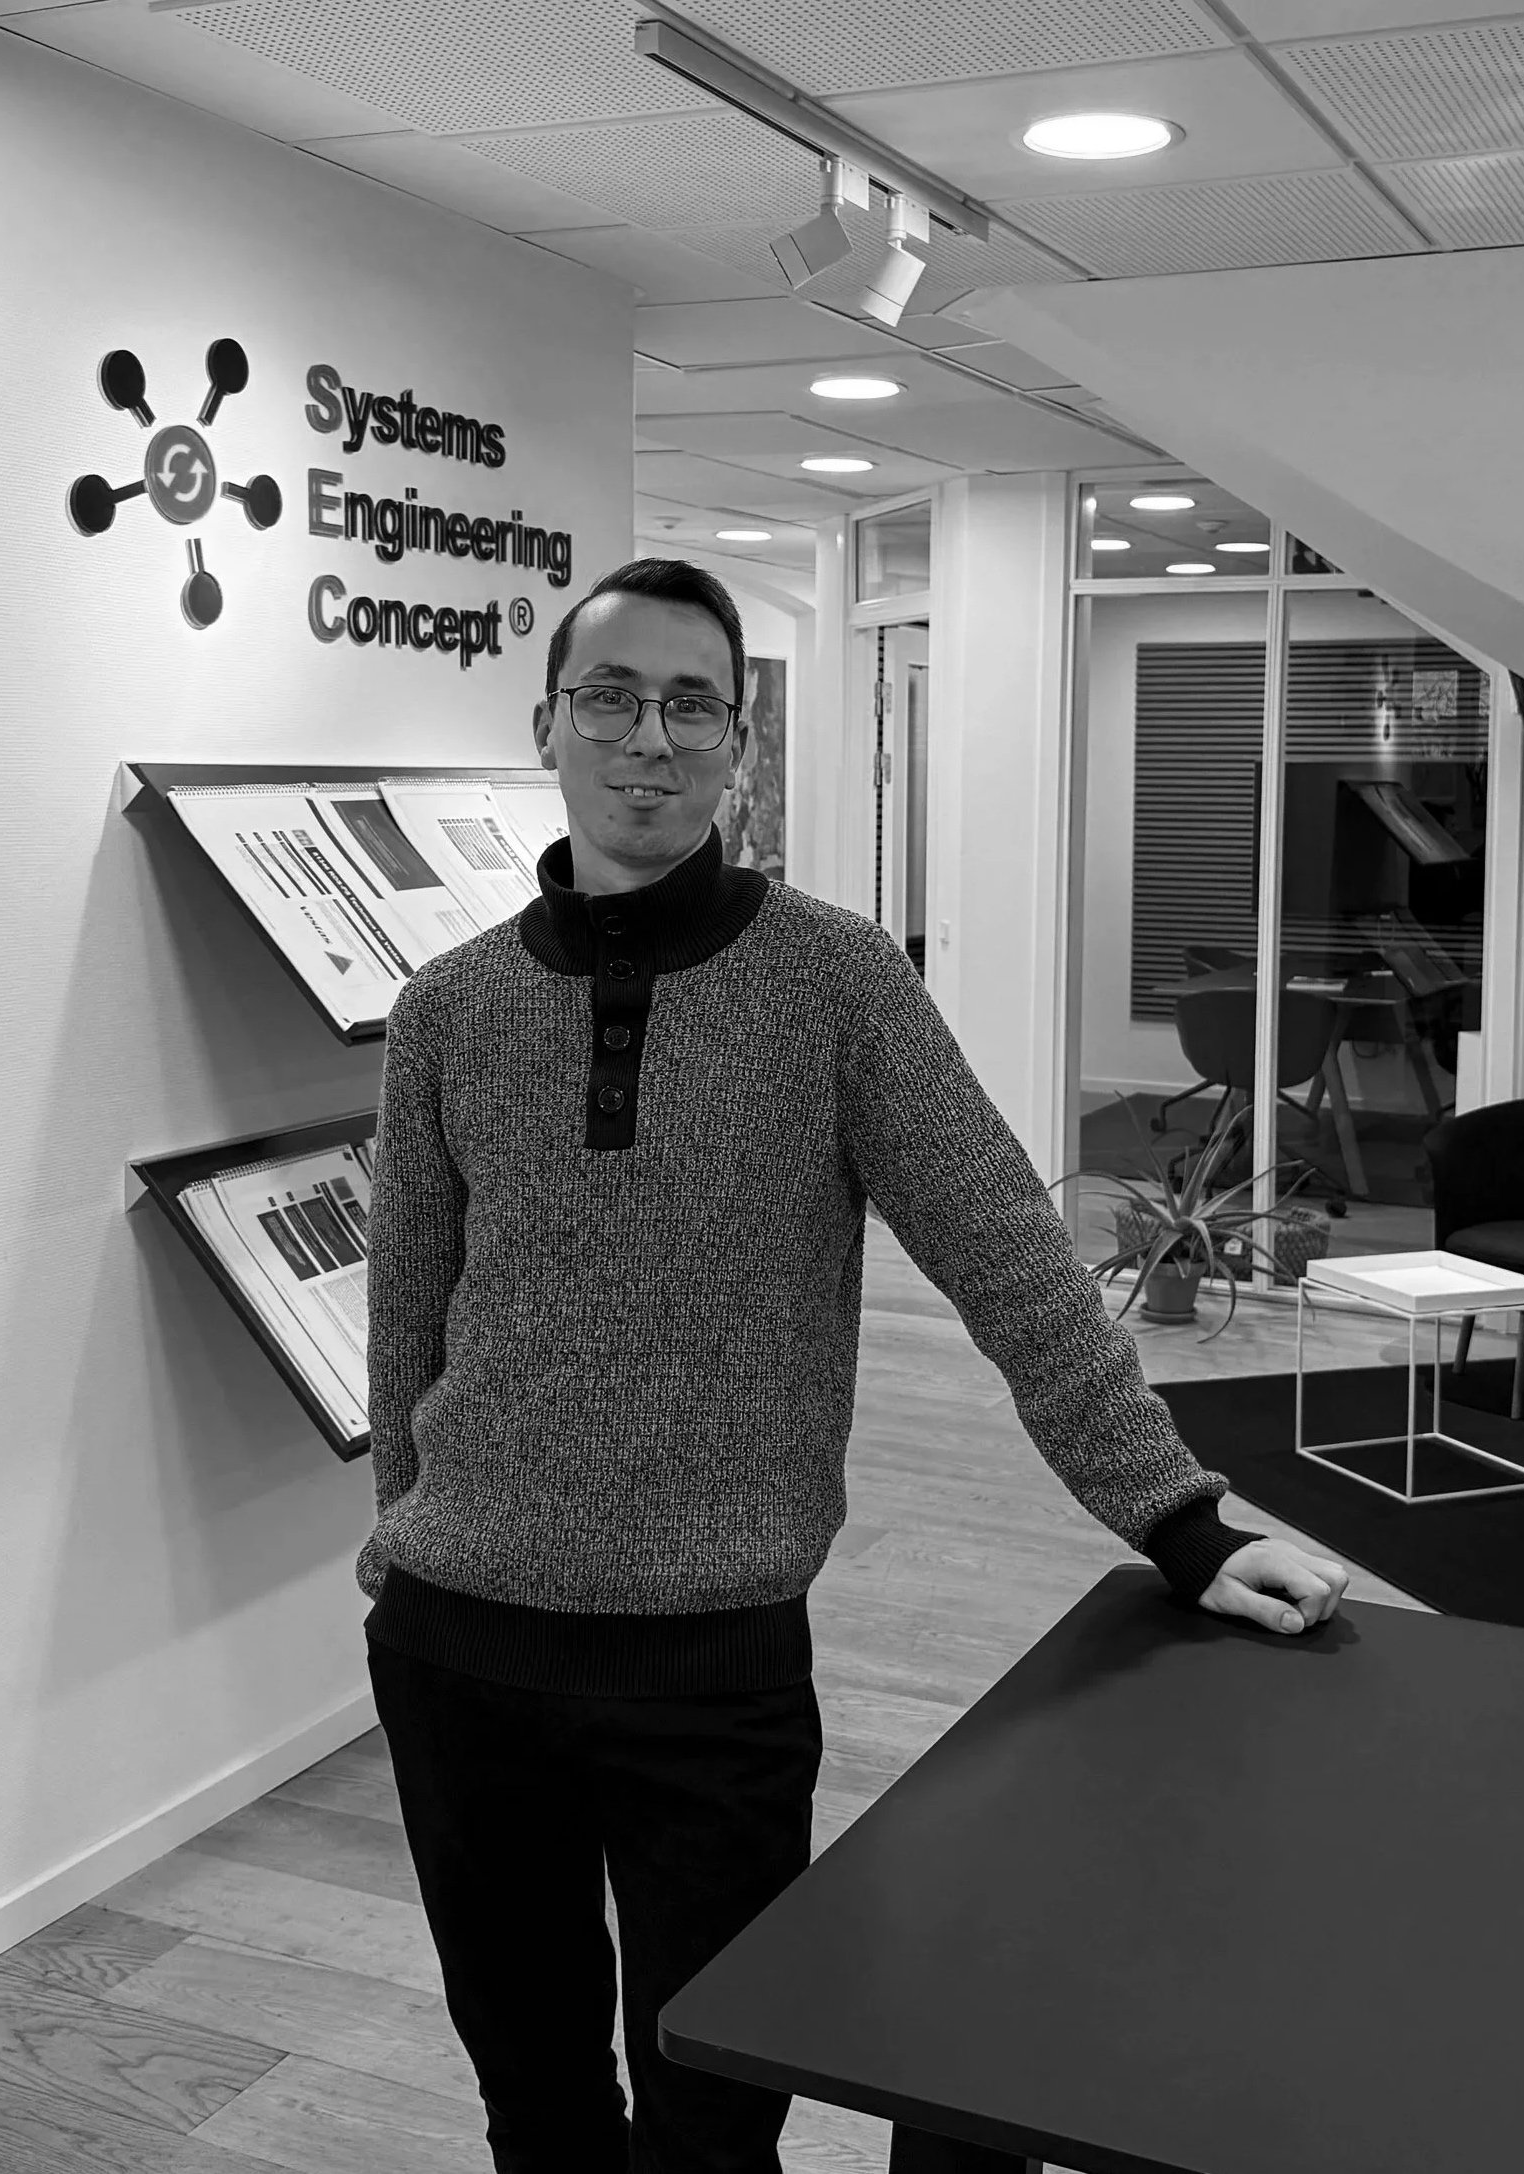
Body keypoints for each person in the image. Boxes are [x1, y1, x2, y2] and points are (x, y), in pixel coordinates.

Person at [358, 557, 1349, 2174]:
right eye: (610, 696)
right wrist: (402, 1522)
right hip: (461, 1648)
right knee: (532, 2098)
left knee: (711, 2107)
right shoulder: (448, 1008)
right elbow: (409, 1310)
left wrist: (1177, 1516)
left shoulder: (832, 982)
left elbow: (1007, 1257)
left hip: (712, 1658)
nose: (649, 737)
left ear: (738, 744)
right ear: (544, 723)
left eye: (693, 703)